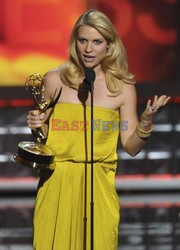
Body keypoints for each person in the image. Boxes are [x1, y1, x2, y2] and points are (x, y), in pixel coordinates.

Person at [27, 9, 170, 250]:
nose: (89, 49)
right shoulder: (53, 80)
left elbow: (132, 147)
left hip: (99, 185)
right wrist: (35, 125)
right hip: (56, 182)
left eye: (97, 42)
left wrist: (145, 124)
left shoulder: (123, 88)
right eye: (83, 40)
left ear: (109, 45)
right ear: (75, 42)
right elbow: (42, 136)